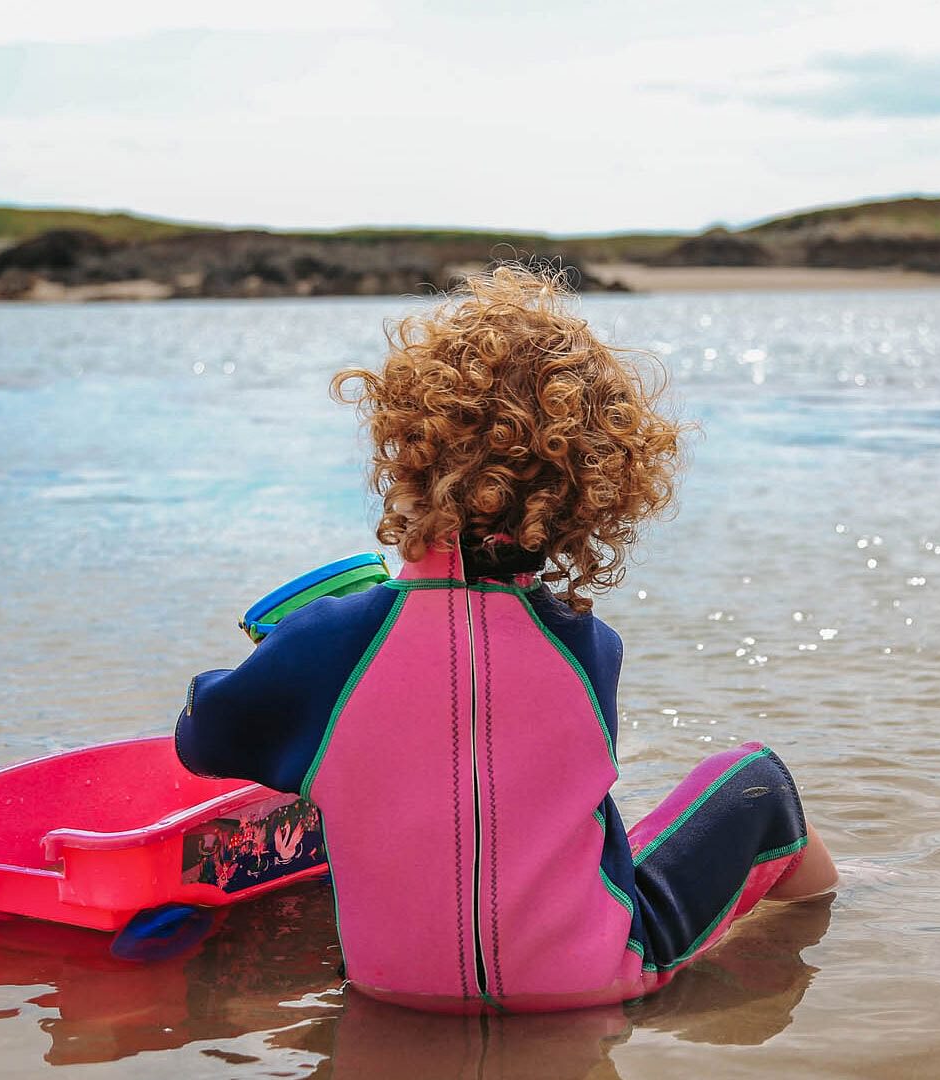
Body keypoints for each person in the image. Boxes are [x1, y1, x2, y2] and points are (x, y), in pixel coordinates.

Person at [174, 264, 836, 1014]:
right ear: (594, 485)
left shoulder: (326, 642)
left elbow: (200, 741)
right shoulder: (591, 649)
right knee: (756, 780)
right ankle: (834, 903)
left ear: (407, 452)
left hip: (392, 990)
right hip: (590, 982)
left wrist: (278, 657)